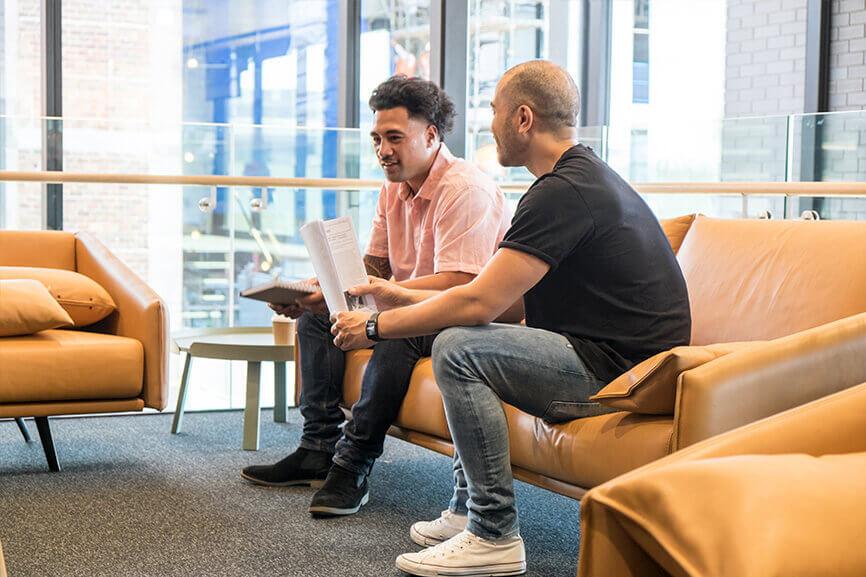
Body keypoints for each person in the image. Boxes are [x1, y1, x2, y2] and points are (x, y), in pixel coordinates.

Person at [331, 60, 691, 576]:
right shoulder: (577, 178)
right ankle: (464, 508)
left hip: (622, 374)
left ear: (523, 118)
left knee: (460, 347)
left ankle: (494, 533)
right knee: (472, 337)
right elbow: (505, 302)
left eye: (496, 111)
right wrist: (402, 300)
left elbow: (477, 302)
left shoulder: (561, 193)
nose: (490, 124)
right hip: (610, 355)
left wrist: (374, 325)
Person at [241, 75, 510, 518]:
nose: (383, 150)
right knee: (315, 316)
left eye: (394, 138)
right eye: (377, 139)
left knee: (397, 331)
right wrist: (318, 289)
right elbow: (377, 267)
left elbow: (460, 286)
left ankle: (353, 463)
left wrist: (386, 301)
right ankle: (317, 448)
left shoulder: (465, 190)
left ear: (430, 135)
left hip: (462, 316)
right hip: (409, 299)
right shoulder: (394, 186)